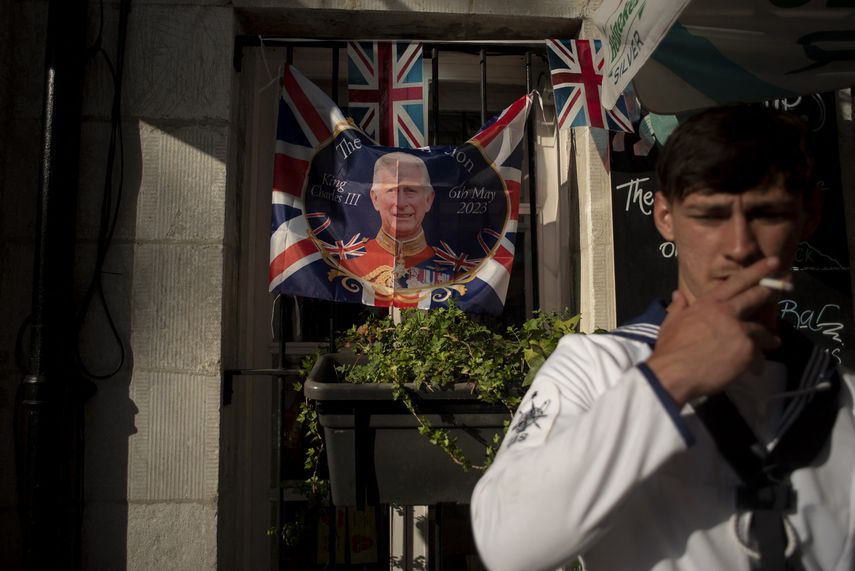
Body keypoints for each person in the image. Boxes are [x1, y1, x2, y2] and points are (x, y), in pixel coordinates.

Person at [470, 105, 855, 571]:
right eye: (709, 215)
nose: (739, 246)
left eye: (766, 214)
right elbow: (508, 546)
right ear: (665, 217)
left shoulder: (842, 396)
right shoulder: (596, 367)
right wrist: (667, 377)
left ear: (810, 214)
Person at [343, 152, 452, 289]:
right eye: (391, 191)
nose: (400, 203)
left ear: (428, 200)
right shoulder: (350, 262)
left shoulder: (449, 268)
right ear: (375, 198)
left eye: (411, 190)